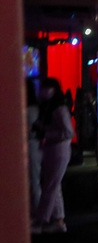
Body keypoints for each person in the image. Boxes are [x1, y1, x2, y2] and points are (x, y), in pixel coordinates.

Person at [33, 77, 74, 234]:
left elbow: (68, 132)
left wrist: (46, 133)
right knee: (54, 186)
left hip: (58, 150)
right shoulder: (52, 106)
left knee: (50, 186)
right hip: (53, 149)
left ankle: (42, 220)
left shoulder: (59, 108)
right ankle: (58, 220)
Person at [26, 80, 42, 218]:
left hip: (30, 145)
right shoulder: (37, 108)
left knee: (33, 181)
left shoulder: (26, 110)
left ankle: (36, 213)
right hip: (36, 145)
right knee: (35, 180)